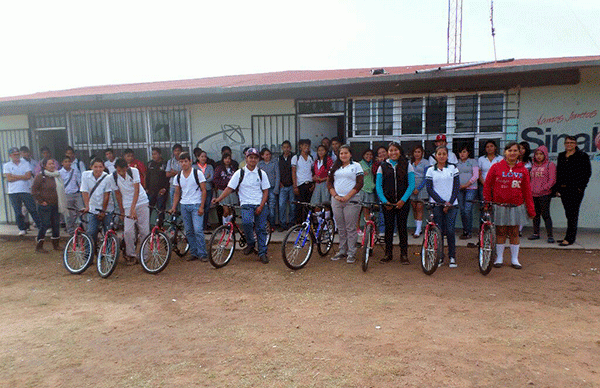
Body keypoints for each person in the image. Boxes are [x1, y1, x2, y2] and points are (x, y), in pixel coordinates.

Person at [212, 148, 271, 264]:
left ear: (258, 159)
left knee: (261, 229)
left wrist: (261, 206)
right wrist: (218, 199)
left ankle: (262, 253)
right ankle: (251, 243)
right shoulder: (239, 173)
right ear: (246, 159)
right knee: (247, 223)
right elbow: (229, 188)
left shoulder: (261, 173)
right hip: (246, 204)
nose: (252, 160)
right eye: (250, 157)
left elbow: (266, 191)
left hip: (260, 204)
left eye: (255, 158)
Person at [484, 142, 535, 269]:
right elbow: (487, 186)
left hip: (516, 206)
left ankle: (514, 259)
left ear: (519, 153)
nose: (512, 153)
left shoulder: (523, 169)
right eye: (509, 150)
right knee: (500, 232)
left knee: (514, 232)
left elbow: (527, 191)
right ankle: (499, 258)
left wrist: (531, 209)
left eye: (515, 151)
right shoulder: (496, 167)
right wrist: (488, 202)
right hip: (499, 205)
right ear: (505, 152)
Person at [376, 142, 415, 264]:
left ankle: (404, 254)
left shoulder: (407, 165)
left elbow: (412, 184)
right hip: (387, 203)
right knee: (388, 228)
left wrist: (403, 200)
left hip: (403, 202)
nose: (393, 153)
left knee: (402, 228)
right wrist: (384, 201)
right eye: (391, 150)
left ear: (400, 151)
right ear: (388, 153)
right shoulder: (382, 166)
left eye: (395, 150)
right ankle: (388, 253)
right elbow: (378, 186)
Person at [327, 145, 364, 264]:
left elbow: (359, 183)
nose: (343, 155)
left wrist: (347, 196)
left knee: (351, 228)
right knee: (341, 227)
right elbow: (329, 183)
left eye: (346, 153)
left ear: (350, 154)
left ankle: (351, 253)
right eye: (341, 153)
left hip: (352, 200)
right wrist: (336, 196)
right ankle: (342, 250)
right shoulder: (334, 166)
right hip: (337, 200)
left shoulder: (356, 166)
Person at [554, 136, 592, 246]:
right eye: (567, 143)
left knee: (573, 214)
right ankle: (569, 236)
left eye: (571, 142)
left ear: (575, 144)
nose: (569, 144)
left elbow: (587, 173)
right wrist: (557, 188)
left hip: (576, 190)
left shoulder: (582, 156)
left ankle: (569, 238)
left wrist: (581, 187)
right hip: (564, 189)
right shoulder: (561, 155)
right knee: (568, 213)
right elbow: (559, 172)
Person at [426, 146, 460, 268]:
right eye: (439, 154)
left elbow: (456, 187)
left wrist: (449, 202)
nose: (441, 156)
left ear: (447, 155)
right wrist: (441, 202)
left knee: (450, 231)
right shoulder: (430, 170)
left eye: (444, 154)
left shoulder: (453, 168)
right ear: (435, 156)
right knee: (438, 232)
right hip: (436, 205)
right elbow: (429, 189)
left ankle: (452, 257)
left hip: (452, 205)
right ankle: (440, 257)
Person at [170, 152, 208, 261]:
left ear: (190, 161)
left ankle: (203, 254)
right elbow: (177, 193)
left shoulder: (198, 173)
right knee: (189, 231)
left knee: (198, 230)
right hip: (184, 205)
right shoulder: (178, 177)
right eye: (181, 162)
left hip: (196, 204)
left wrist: (201, 206)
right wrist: (174, 207)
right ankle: (194, 252)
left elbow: (204, 190)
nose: (183, 164)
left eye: (185, 161)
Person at [112, 158, 150, 265]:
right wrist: (122, 211)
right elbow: (118, 195)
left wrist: (133, 209)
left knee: (144, 231)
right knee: (128, 231)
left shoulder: (134, 171)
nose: (122, 173)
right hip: (127, 205)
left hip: (141, 202)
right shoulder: (113, 177)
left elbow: (136, 190)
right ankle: (131, 255)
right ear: (116, 169)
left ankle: (145, 256)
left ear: (127, 168)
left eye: (124, 170)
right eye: (119, 170)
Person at [31, 159, 68, 252]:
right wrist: (40, 201)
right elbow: (34, 190)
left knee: (56, 224)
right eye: (50, 164)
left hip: (56, 204)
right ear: (44, 166)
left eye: (53, 164)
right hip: (45, 206)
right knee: (45, 225)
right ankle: (39, 246)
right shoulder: (40, 176)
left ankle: (56, 245)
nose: (52, 165)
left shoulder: (57, 175)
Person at [3, 147, 41, 235]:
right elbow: (9, 178)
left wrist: (14, 176)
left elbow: (28, 176)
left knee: (32, 209)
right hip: (13, 191)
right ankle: (22, 228)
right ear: (10, 156)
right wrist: (21, 176)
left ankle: (40, 226)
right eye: (14, 155)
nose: (16, 156)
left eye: (18, 154)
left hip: (25, 190)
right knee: (18, 211)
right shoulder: (7, 165)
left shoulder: (25, 163)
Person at [81, 158, 113, 250]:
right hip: (93, 208)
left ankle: (109, 253)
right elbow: (84, 191)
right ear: (91, 167)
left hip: (107, 209)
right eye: (95, 167)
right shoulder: (85, 175)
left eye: (100, 167)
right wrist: (87, 206)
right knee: (91, 232)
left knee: (108, 232)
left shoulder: (107, 177)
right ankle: (89, 254)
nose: (98, 169)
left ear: (103, 167)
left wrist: (103, 211)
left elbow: (106, 196)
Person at [528, 145, 556, 243]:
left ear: (545, 155)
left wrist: (544, 188)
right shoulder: (533, 165)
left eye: (541, 154)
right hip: (533, 194)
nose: (538, 156)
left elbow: (552, 180)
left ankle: (550, 235)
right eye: (537, 154)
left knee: (546, 215)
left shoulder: (550, 165)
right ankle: (536, 233)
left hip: (544, 194)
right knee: (535, 215)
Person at [456, 145, 479, 239]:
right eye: (460, 152)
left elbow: (476, 175)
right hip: (459, 189)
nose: (462, 154)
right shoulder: (456, 163)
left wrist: (467, 184)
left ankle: (469, 231)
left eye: (464, 152)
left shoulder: (473, 161)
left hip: (471, 189)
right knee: (462, 210)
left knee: (467, 210)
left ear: (468, 153)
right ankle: (465, 231)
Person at [59, 156, 83, 235]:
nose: (67, 163)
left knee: (82, 212)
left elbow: (79, 181)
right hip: (66, 195)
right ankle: (71, 232)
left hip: (76, 193)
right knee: (69, 215)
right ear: (62, 163)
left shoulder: (75, 171)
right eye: (65, 162)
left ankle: (84, 230)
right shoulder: (60, 173)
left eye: (69, 162)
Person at [292, 139, 314, 223]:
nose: (306, 148)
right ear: (300, 147)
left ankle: (308, 223)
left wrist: (313, 184)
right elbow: (293, 172)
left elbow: (312, 171)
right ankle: (299, 224)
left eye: (308, 146)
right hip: (300, 184)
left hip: (309, 184)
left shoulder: (310, 158)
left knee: (308, 205)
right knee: (300, 206)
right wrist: (295, 186)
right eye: (304, 146)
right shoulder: (296, 158)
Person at [409, 145, 430, 238]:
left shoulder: (426, 162)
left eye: (419, 152)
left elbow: (426, 177)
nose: (417, 154)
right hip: (412, 187)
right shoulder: (410, 162)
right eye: (415, 152)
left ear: (422, 153)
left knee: (419, 207)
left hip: (422, 188)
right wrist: (412, 188)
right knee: (414, 207)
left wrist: (419, 188)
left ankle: (418, 230)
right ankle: (418, 227)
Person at [213, 153, 239, 225]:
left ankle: (230, 226)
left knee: (231, 211)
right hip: (222, 191)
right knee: (226, 211)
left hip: (232, 192)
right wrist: (224, 183)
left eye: (229, 158)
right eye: (225, 158)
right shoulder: (219, 168)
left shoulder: (233, 169)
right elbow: (215, 179)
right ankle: (224, 226)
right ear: (223, 159)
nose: (227, 160)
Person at [146, 147, 169, 224]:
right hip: (151, 191)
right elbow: (147, 177)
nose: (153, 156)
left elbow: (167, 178)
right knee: (148, 209)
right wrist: (146, 188)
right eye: (152, 154)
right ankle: (147, 227)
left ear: (160, 154)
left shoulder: (164, 164)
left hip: (161, 191)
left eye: (155, 154)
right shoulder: (150, 164)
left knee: (160, 210)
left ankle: (160, 227)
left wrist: (165, 188)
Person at [258, 148, 280, 230]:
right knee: (263, 207)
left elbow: (277, 176)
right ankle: (263, 225)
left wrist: (276, 189)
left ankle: (272, 225)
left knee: (272, 208)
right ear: (262, 156)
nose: (268, 156)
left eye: (269, 154)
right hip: (262, 189)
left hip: (272, 188)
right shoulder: (260, 164)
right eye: (266, 154)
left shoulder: (274, 163)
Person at [194, 150, 214, 231]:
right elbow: (195, 179)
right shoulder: (194, 167)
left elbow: (211, 177)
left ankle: (205, 225)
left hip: (208, 189)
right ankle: (198, 226)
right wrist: (205, 178)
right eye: (202, 156)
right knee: (198, 207)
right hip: (198, 190)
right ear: (198, 157)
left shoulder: (209, 167)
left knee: (206, 208)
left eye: (205, 156)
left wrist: (202, 179)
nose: (203, 158)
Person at [278, 140, 295, 231]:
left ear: (290, 148)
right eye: (284, 147)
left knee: (292, 205)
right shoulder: (279, 158)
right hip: (282, 186)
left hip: (292, 185)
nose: (286, 149)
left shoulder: (294, 157)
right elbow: (277, 172)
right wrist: (279, 183)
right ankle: (283, 224)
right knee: (281, 205)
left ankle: (292, 223)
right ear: (282, 148)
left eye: (288, 147)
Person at [358, 149, 375, 235]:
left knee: (368, 209)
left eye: (370, 155)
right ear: (363, 155)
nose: (369, 156)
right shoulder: (359, 164)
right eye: (366, 154)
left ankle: (367, 229)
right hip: (362, 189)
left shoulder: (374, 164)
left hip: (371, 189)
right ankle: (357, 228)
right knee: (359, 209)